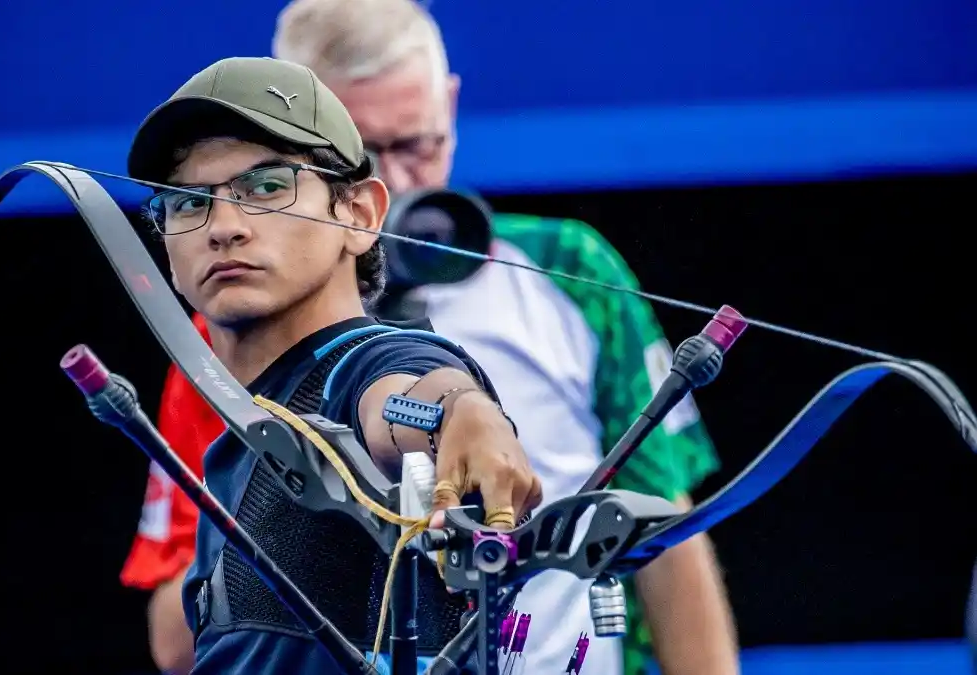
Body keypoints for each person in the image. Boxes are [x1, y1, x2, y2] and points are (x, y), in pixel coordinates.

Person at [123, 2, 740, 675]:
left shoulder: (571, 271)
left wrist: (462, 415)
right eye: (365, 150)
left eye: (417, 144)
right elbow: (181, 636)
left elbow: (661, 527)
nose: (397, 180)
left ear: (448, 106)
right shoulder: (225, 344)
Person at [121, 54, 541, 675]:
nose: (223, 227)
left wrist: (461, 413)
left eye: (266, 187)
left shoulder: (359, 366)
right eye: (187, 202)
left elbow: (404, 396)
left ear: (361, 214)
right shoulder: (248, 430)